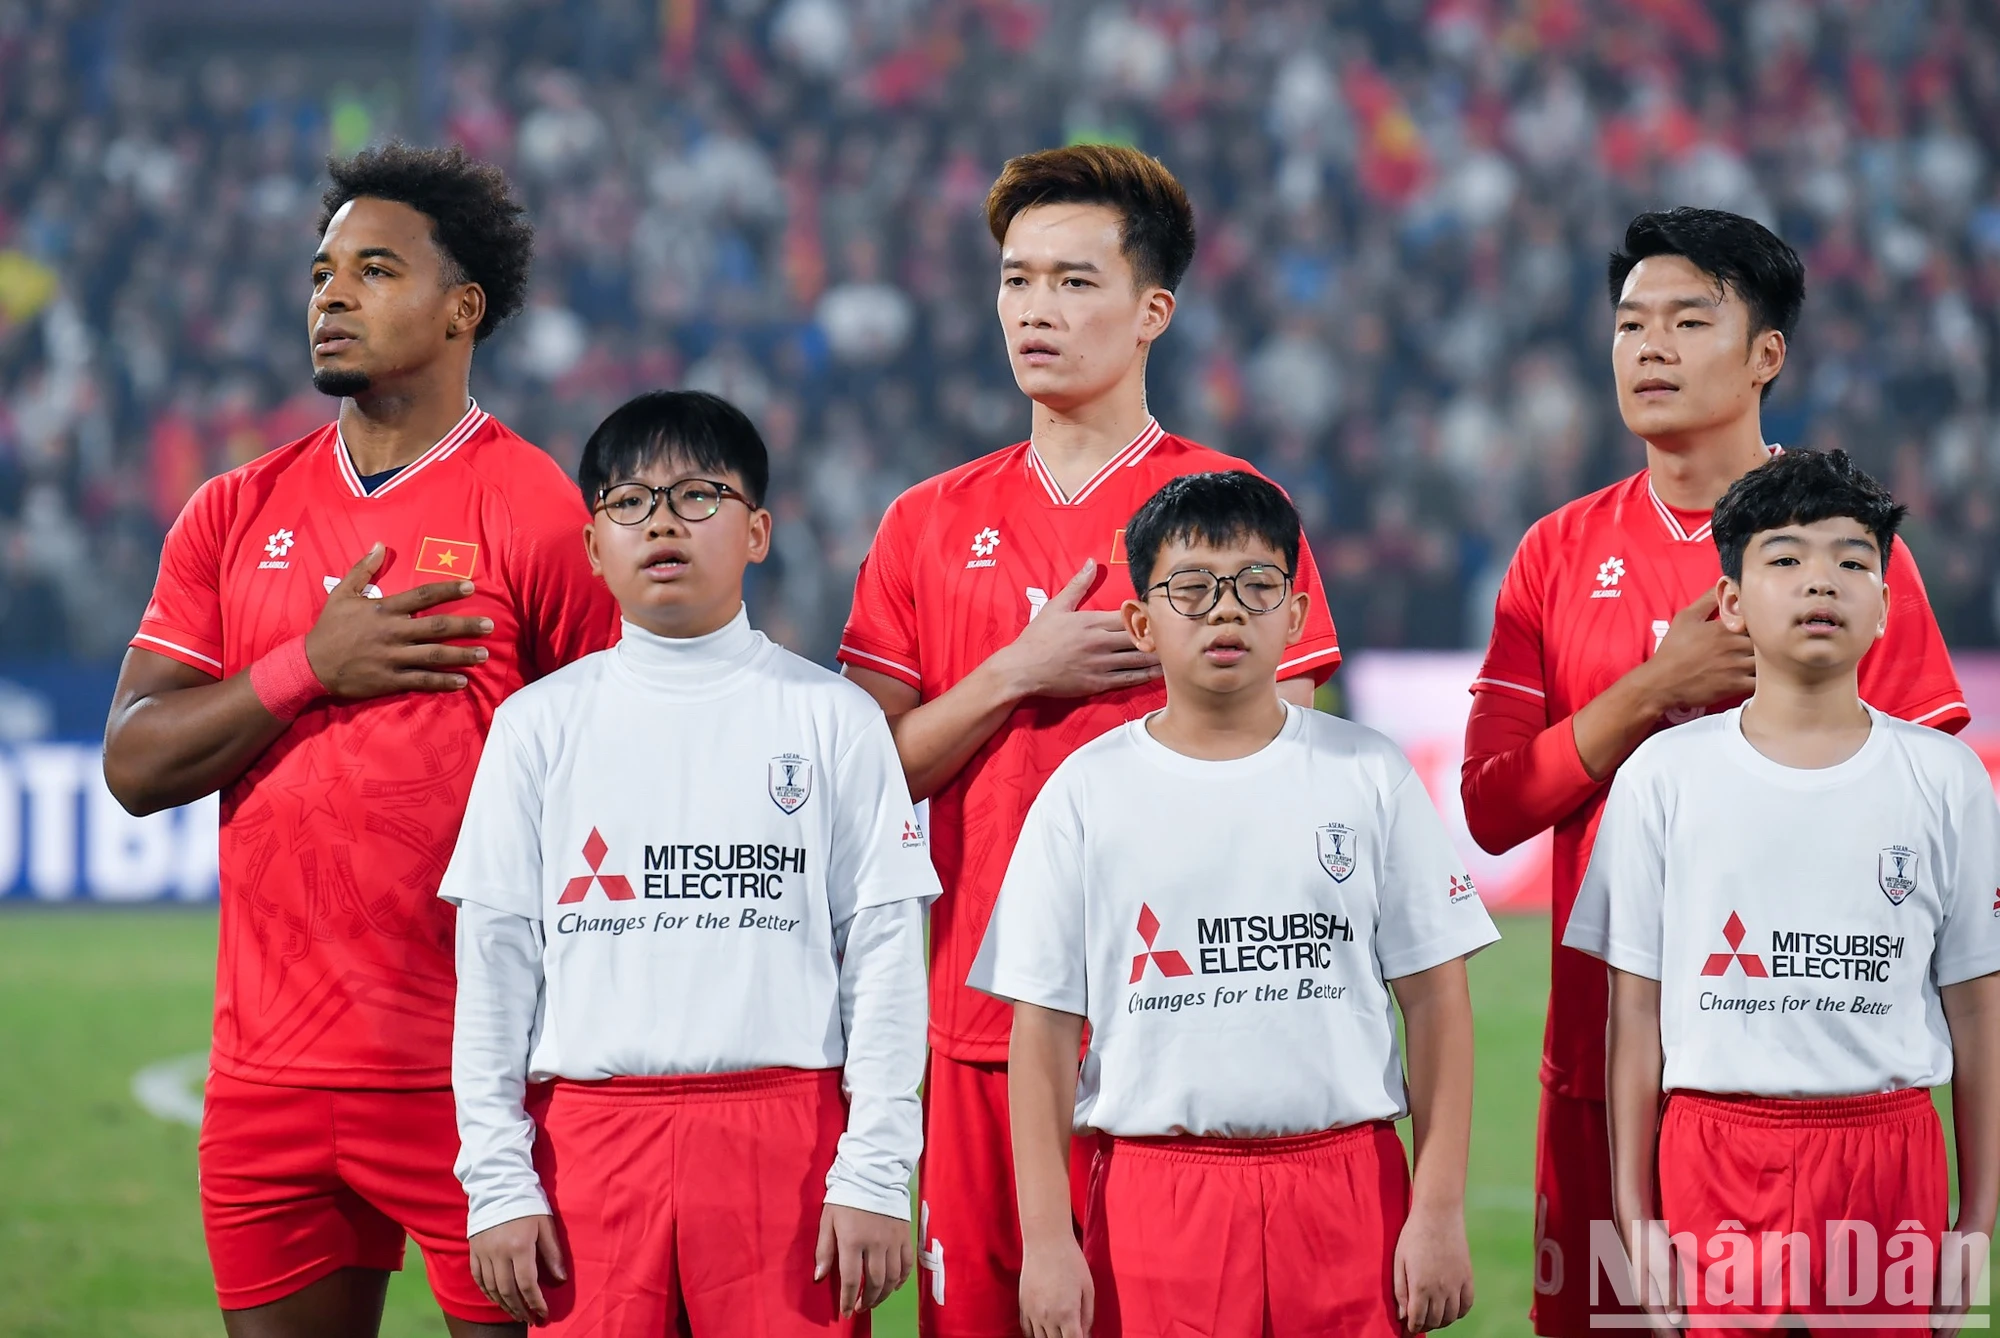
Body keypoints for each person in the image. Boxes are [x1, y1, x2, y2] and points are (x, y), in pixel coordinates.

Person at [101, 144, 618, 1338]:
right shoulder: (233, 510)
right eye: (321, 271)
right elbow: (133, 762)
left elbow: (618, 777)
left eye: (373, 270)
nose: (330, 295)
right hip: (265, 1082)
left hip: (478, 1081)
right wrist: (302, 670)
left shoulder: (539, 512)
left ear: (461, 309)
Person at [838, 143, 1343, 1338]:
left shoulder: (1229, 507)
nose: (1034, 310)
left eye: (1073, 281)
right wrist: (1020, 672)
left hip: (1177, 1034)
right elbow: (865, 783)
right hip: (975, 1028)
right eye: (1016, 280)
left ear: (1151, 310)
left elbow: (1295, 766)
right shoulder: (925, 519)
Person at [1457, 207, 1969, 1336]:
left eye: (1688, 319)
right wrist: (1650, 692)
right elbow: (1491, 809)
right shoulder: (1554, 552)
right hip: (1602, 1058)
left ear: (1764, 355)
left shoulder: (1848, 551)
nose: (1648, 346)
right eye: (1630, 322)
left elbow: (1931, 816)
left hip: (1817, 1079)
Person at [440, 390, 938, 1336]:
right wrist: (497, 1181)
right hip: (588, 1143)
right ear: (593, 547)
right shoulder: (535, 727)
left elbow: (882, 958)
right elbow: (494, 967)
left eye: (697, 496)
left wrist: (876, 1168)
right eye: (628, 502)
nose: (662, 521)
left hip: (786, 1144)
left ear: (757, 531)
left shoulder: (833, 718)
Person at [970, 471, 1492, 1338]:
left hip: (1346, 1188)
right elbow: (1044, 1032)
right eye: (1192, 589)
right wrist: (1047, 1239)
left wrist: (1436, 1209)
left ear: (1294, 615)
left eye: (1256, 586)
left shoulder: (1369, 774)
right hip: (1155, 1196)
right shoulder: (1085, 794)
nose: (1226, 612)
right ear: (1142, 622)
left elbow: (1437, 999)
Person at [1565, 448, 2000, 1332]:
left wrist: (1977, 1223)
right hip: (1715, 1149)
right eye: (1787, 558)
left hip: (1889, 1151)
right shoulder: (1662, 775)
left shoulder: (1949, 780)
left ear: (1886, 605)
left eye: (1852, 561)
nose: (1822, 583)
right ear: (1731, 602)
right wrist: (1636, 1220)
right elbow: (1634, 1014)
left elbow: (1980, 1011)